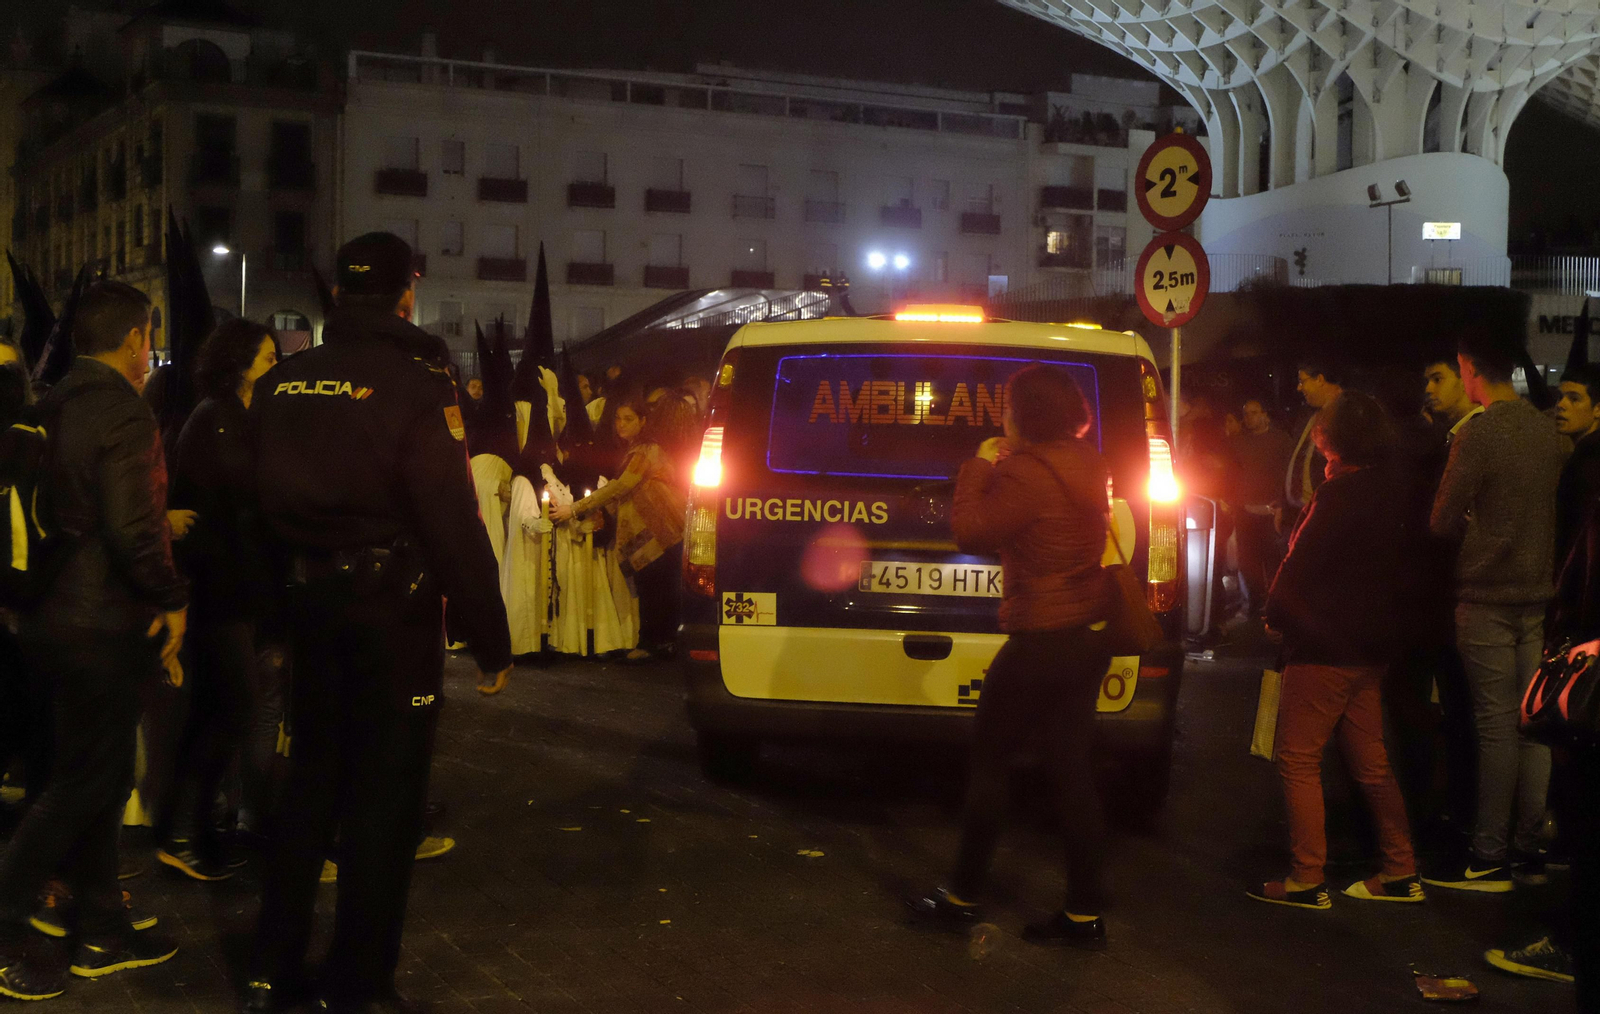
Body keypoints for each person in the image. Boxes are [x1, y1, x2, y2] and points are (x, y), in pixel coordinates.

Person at [244, 233, 512, 1014]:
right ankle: (356, 984)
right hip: (389, 616)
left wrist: (271, 623)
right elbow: (450, 519)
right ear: (408, 293)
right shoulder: (416, 384)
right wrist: (488, 638)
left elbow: (252, 511)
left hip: (307, 610)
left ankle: (271, 970)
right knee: (384, 803)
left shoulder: (282, 385)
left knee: (308, 791)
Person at [0, 281, 185, 999]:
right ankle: (9, 920)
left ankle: (102, 927)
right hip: (98, 620)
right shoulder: (122, 413)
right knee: (83, 783)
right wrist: (173, 600)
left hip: (48, 617)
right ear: (138, 339)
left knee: (93, 777)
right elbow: (135, 529)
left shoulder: (52, 400)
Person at [905, 364, 1113, 950]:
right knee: (1072, 771)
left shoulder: (1022, 475)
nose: (1002, 414)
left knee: (990, 761)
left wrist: (978, 463)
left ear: (1026, 413)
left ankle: (962, 897)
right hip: (1086, 633)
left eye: (1007, 406)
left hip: (1041, 638)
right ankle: (1083, 913)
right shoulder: (1089, 461)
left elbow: (969, 531)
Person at [1249, 392, 1421, 909]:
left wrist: (1276, 616)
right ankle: (1400, 868)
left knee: (1298, 757)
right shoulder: (1395, 491)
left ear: (1332, 440)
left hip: (1323, 645)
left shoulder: (1339, 495)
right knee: (1372, 762)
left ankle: (1307, 878)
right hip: (1372, 647)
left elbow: (1299, 566)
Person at [1425, 329, 1569, 893]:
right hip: (1537, 593)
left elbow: (1441, 518)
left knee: (1493, 724)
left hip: (1485, 594)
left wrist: (1473, 529)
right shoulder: (1546, 431)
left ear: (1469, 370)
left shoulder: (1479, 435)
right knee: (1531, 724)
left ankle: (1487, 856)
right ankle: (1530, 845)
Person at [156, 319, 280, 880]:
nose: (277, 367)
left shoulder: (253, 418)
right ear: (239, 364)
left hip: (249, 585)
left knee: (230, 710)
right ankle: (181, 831)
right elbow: (225, 501)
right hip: (220, 587)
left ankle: (202, 827)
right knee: (234, 710)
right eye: (268, 358)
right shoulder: (216, 419)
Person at [552, 392, 691, 661]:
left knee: (655, 587)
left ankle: (653, 644)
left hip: (662, 528)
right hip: (659, 527)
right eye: (617, 419)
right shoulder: (636, 450)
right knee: (654, 587)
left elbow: (621, 486)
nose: (621, 424)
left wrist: (576, 508)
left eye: (628, 419)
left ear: (643, 421)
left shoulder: (645, 451)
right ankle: (659, 643)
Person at [1228, 398, 1293, 619]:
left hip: (1271, 511)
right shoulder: (1239, 442)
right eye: (1246, 414)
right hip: (1246, 510)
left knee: (1273, 560)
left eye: (1254, 413)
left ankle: (1275, 606)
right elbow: (1232, 472)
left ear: (1265, 414)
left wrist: (1282, 504)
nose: (1249, 418)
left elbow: (1288, 473)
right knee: (1247, 561)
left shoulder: (1281, 440)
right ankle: (1253, 606)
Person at [1283, 358, 1344, 527]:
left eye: (1302, 381)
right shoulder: (1310, 415)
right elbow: (1295, 460)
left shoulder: (1346, 414)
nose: (1299, 387)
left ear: (1320, 379)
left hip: (1323, 517)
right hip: (1299, 513)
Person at [1554, 362, 1600, 567]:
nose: (1561, 405)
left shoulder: (1589, 464)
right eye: (1560, 397)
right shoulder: (1582, 456)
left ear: (1598, 409)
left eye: (1574, 399)